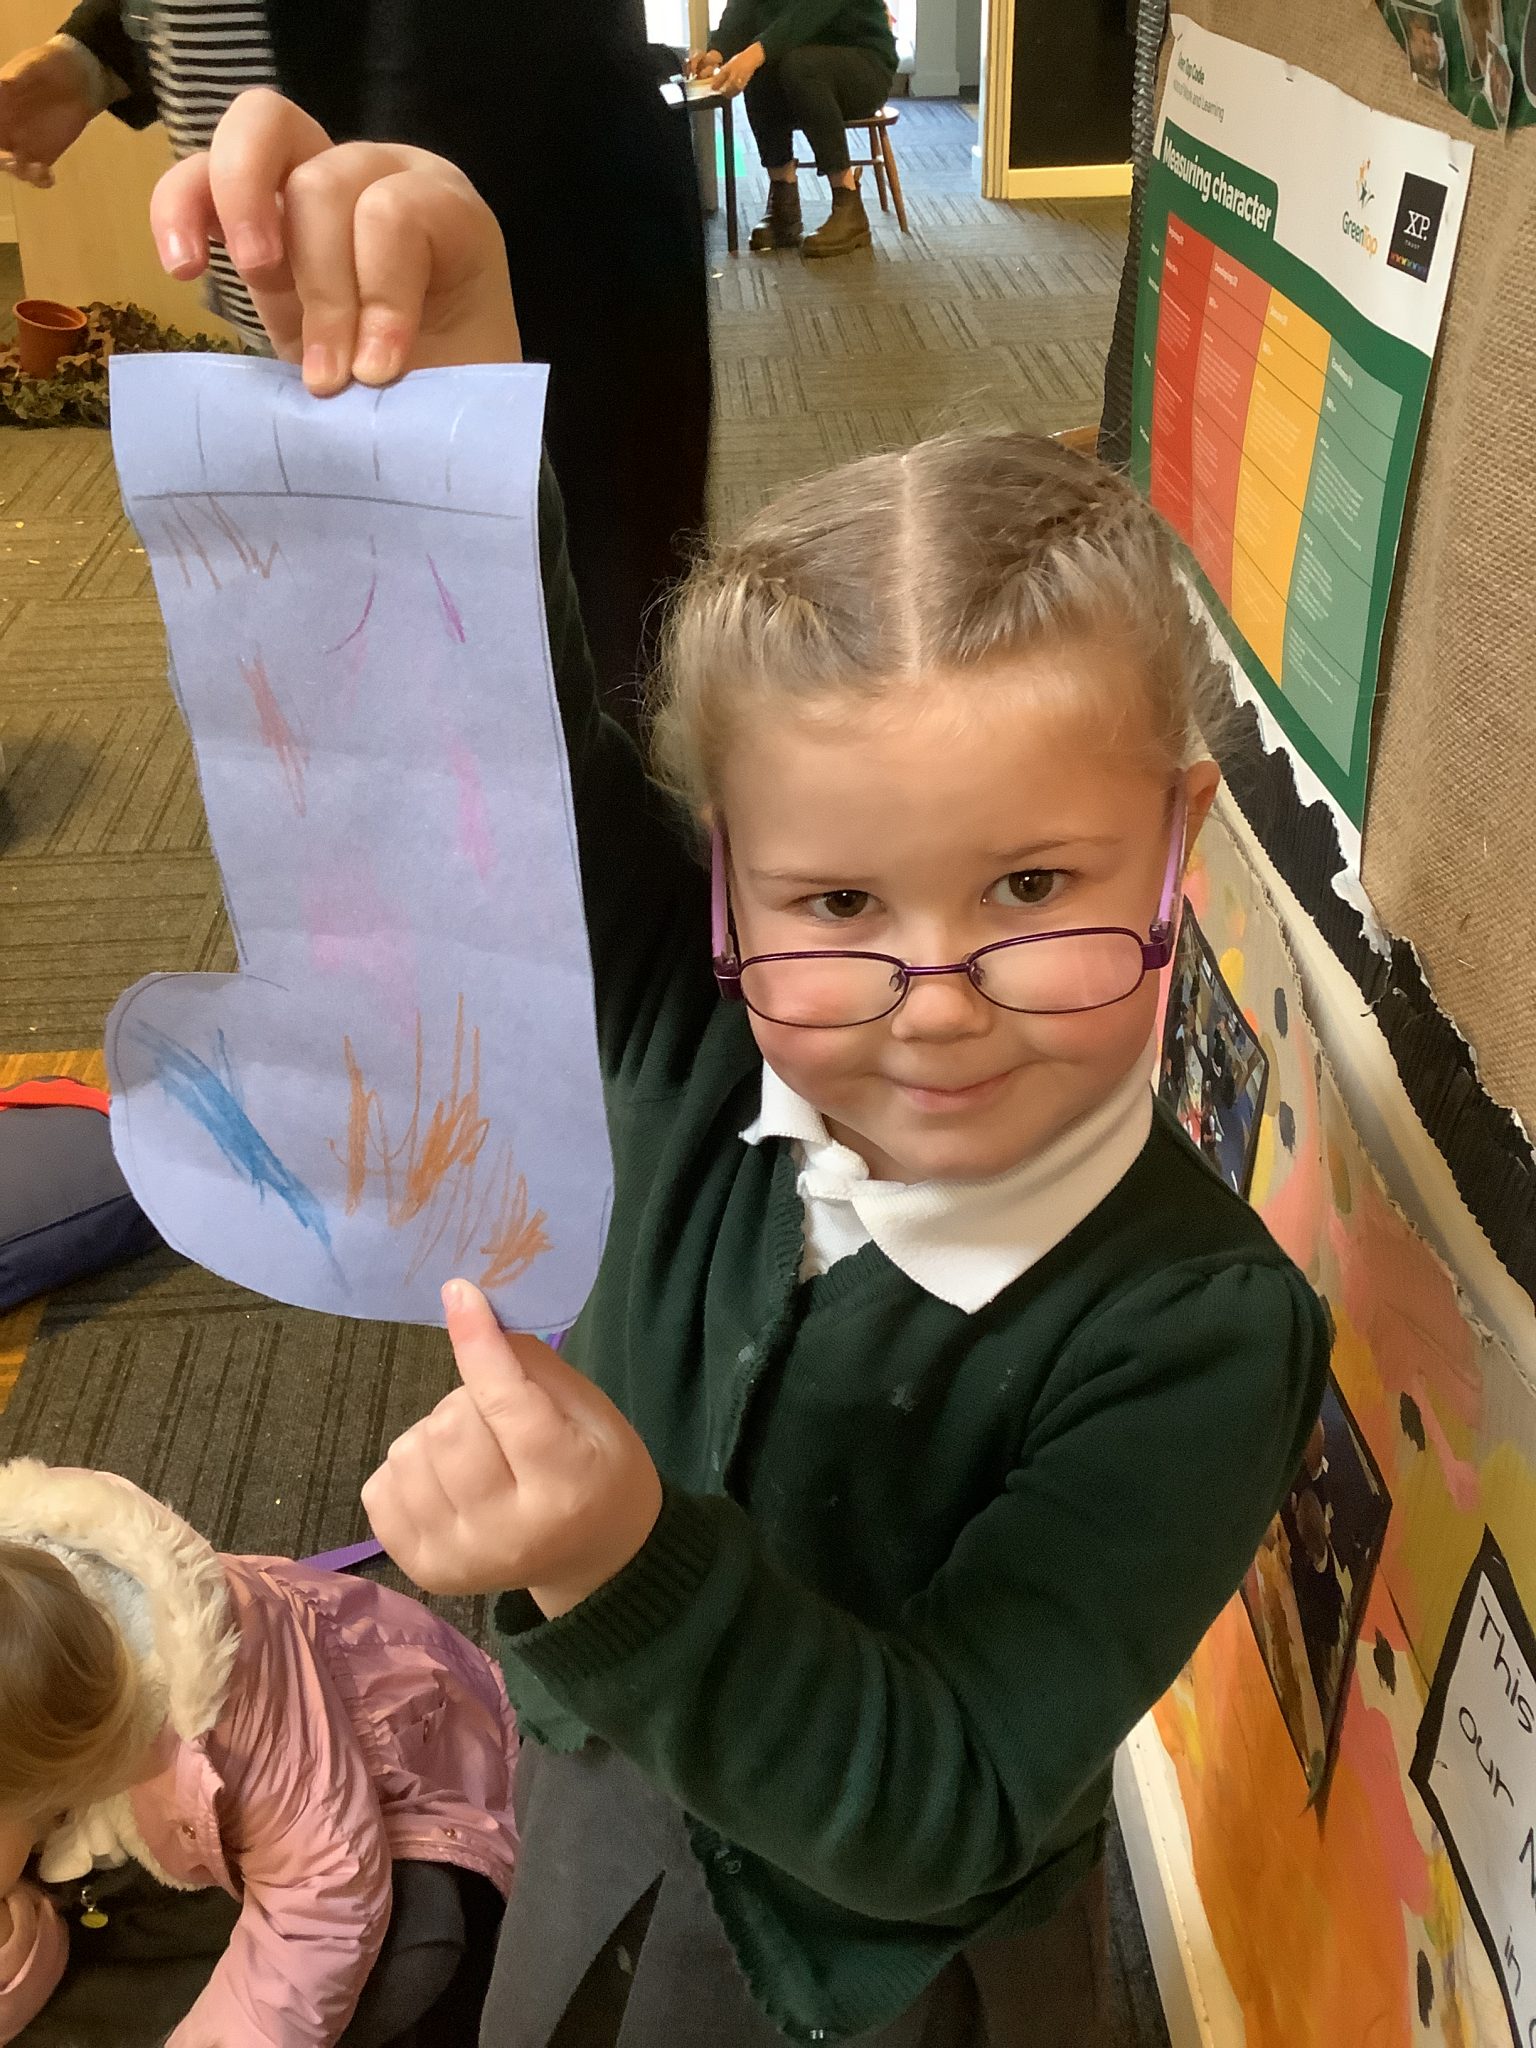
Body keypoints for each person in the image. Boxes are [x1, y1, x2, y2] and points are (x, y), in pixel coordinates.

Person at [153, 94, 1329, 2046]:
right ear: (727, 889)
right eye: (837, 900)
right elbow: (478, 730)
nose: (931, 999)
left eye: (1033, 883)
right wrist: (444, 358)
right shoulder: (683, 1011)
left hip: (881, 1974)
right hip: (601, 1785)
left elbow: (948, 1798)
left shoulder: (1197, 1327)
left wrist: (617, 1554)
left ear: (1176, 838)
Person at [0, 0, 711, 724]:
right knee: (365, 669)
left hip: (514, 250)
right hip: (302, 297)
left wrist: (399, 188)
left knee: (579, 655)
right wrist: (96, 55)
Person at [0, 1460, 518, 2046]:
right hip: (211, 1820)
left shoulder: (238, 1713)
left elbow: (324, 1901)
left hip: (404, 1790)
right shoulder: (36, 1721)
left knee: (414, 1947)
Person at [689, 0, 898, 258]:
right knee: (765, 67)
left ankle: (848, 204)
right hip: (799, 57)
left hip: (864, 62)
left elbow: (811, 11)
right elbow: (743, 7)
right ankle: (783, 205)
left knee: (797, 64)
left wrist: (754, 54)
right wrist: (716, 54)